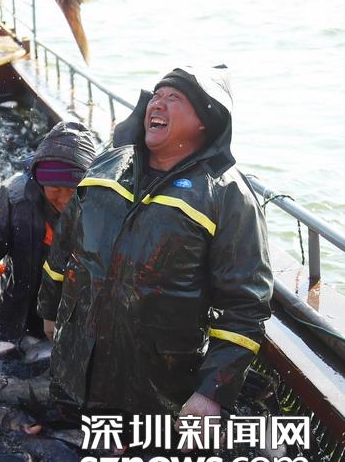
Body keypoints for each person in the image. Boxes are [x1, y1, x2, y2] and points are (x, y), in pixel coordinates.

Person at [37, 65, 272, 428]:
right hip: (74, 368)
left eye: (174, 98)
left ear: (204, 122)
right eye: (157, 95)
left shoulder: (228, 196)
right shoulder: (107, 164)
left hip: (155, 395)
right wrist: (49, 309)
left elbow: (245, 305)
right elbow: (64, 247)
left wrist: (212, 392)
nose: (157, 104)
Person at [0, 122, 97, 341]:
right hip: (13, 314)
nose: (64, 200)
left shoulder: (99, 206)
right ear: (40, 181)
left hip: (68, 320)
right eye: (55, 189)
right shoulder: (14, 197)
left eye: (73, 191)